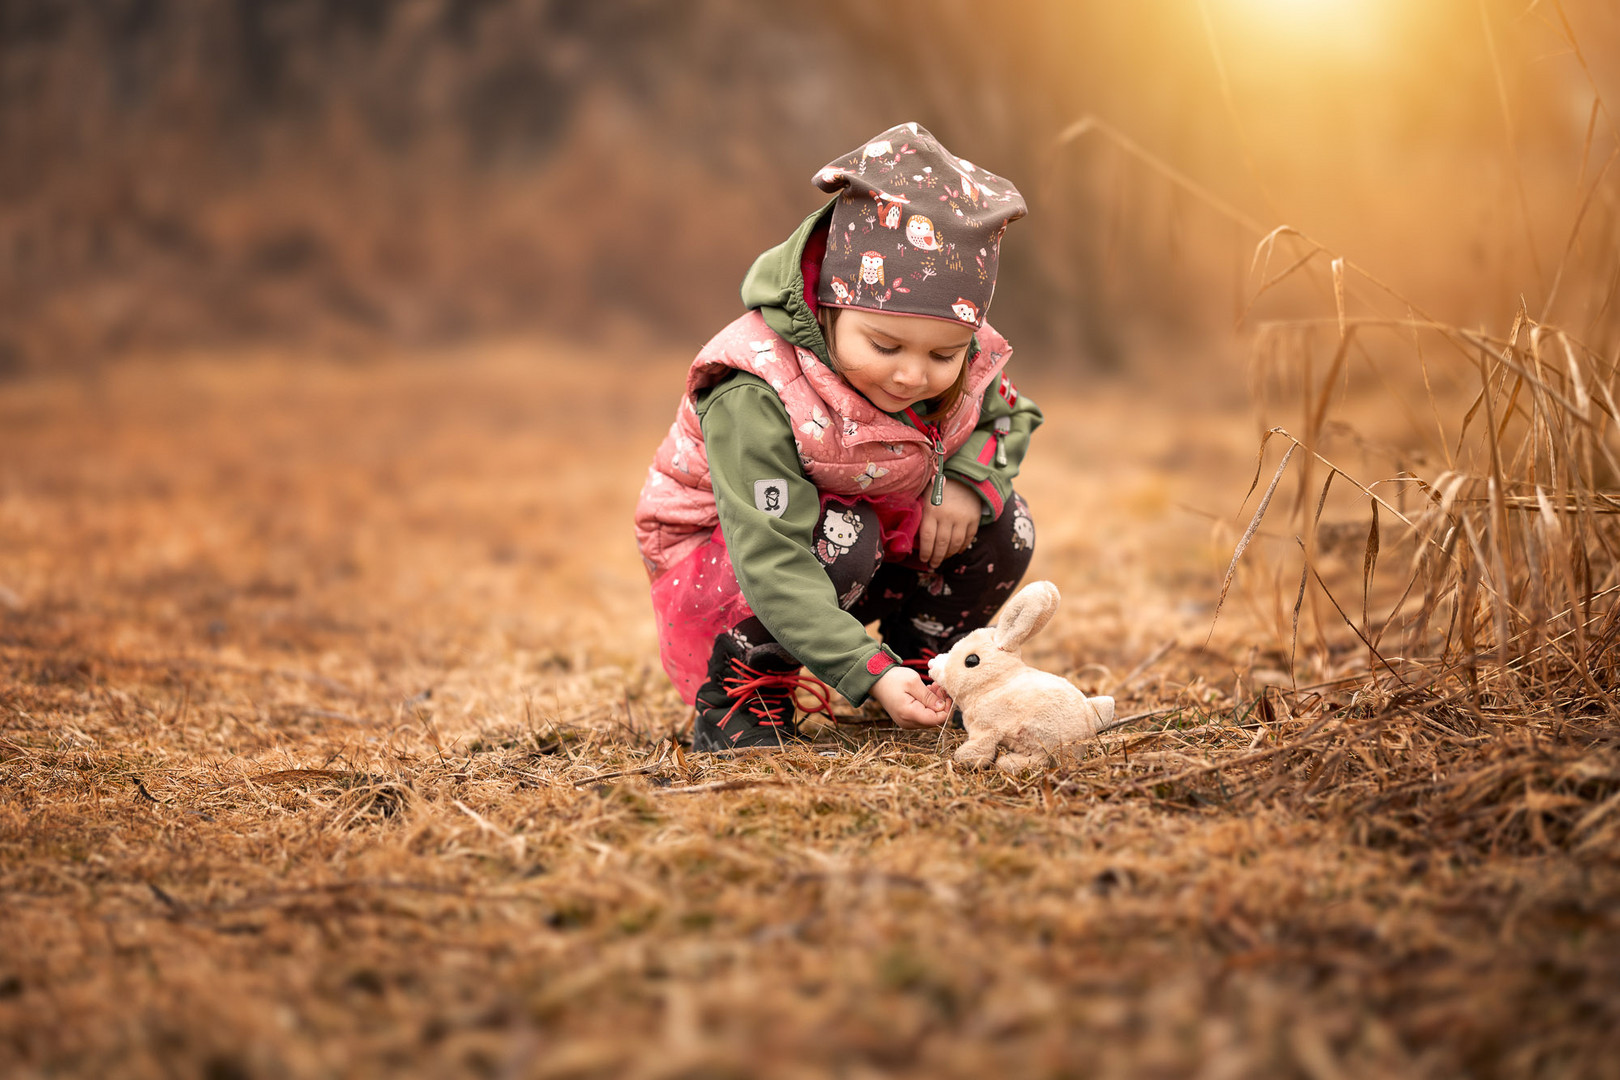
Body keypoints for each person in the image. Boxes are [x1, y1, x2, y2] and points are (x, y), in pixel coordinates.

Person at [634, 122, 1043, 752]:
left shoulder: (962, 364)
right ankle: (745, 695)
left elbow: (1005, 416)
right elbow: (769, 554)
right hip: (735, 564)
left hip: (862, 536)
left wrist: (965, 482)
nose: (912, 375)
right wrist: (865, 672)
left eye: (944, 354)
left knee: (1003, 522)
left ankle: (924, 671)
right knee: (846, 535)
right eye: (885, 345)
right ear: (830, 305)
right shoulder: (756, 389)